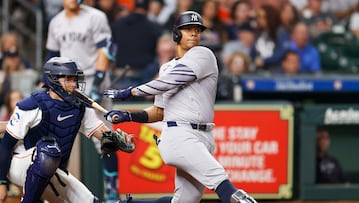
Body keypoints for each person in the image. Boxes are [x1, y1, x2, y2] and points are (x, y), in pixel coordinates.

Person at [104, 11, 257, 203]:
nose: (194, 33)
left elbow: (169, 83)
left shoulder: (203, 55)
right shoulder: (166, 68)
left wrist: (130, 92)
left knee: (185, 200)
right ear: (176, 34)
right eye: (188, 29)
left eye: (197, 30)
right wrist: (128, 116)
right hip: (179, 135)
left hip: (204, 136)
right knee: (222, 182)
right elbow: (159, 111)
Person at [0, 57, 134, 203]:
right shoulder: (32, 104)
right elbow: (6, 145)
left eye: (75, 79)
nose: (74, 84)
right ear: (54, 80)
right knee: (48, 151)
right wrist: (1, 183)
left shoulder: (80, 108)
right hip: (20, 164)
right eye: (69, 79)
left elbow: (104, 135)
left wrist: (120, 139)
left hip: (53, 169)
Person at [45, 0, 120, 201]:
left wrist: (96, 85)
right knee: (57, 136)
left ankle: (112, 191)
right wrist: (47, 83)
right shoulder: (56, 22)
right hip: (65, 82)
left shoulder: (95, 16)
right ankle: (52, 190)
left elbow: (106, 50)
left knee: (106, 139)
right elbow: (52, 55)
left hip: (92, 78)